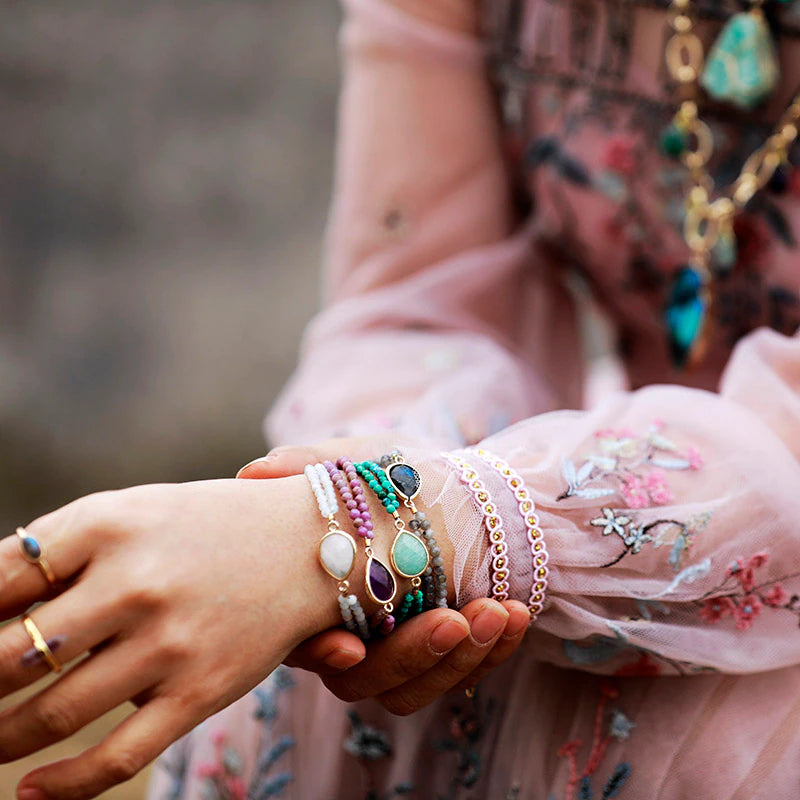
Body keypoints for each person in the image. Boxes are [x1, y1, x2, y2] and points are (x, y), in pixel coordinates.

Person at [6, 0, 800, 798]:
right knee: (306, 676)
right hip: (610, 485)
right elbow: (420, 307)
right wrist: (329, 528)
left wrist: (388, 525)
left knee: (710, 733)